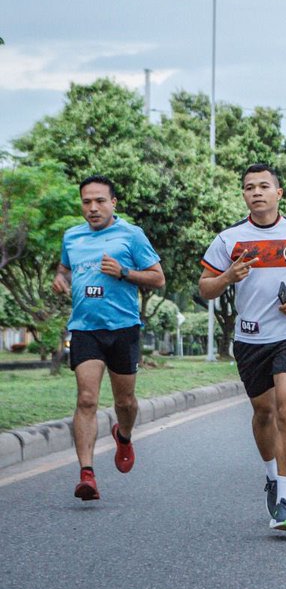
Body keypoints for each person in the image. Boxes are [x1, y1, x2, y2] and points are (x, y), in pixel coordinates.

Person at [199, 164, 286, 532]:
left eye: (264, 186)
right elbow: (205, 287)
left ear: (278, 193)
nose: (257, 192)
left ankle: (285, 501)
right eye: (249, 187)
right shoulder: (229, 239)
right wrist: (228, 276)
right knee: (263, 411)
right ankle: (272, 475)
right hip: (250, 338)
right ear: (243, 195)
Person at [53, 175, 164, 502]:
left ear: (113, 203)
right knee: (87, 399)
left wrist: (124, 272)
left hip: (123, 329)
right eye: (87, 201)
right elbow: (64, 269)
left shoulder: (131, 235)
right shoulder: (72, 236)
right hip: (85, 328)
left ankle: (123, 435)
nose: (93, 207)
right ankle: (87, 474)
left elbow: (158, 278)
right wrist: (60, 280)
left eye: (100, 201)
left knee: (124, 402)